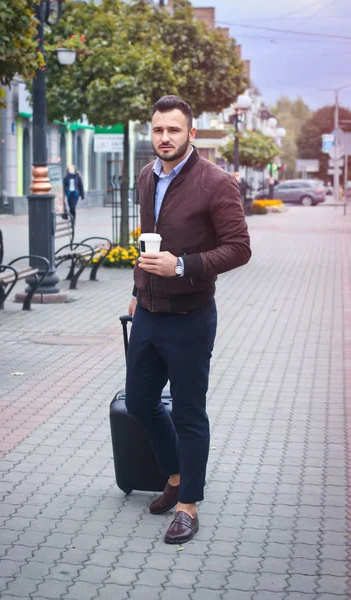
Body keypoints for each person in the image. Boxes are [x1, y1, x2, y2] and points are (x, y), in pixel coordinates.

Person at [125, 95, 251, 544]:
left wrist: (182, 266)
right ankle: (176, 475)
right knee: (140, 401)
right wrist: (138, 293)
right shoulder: (146, 176)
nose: (165, 138)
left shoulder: (217, 182)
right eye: (158, 130)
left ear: (191, 133)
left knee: (190, 414)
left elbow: (239, 248)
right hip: (149, 313)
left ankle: (187, 505)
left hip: (192, 316)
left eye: (173, 130)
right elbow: (146, 246)